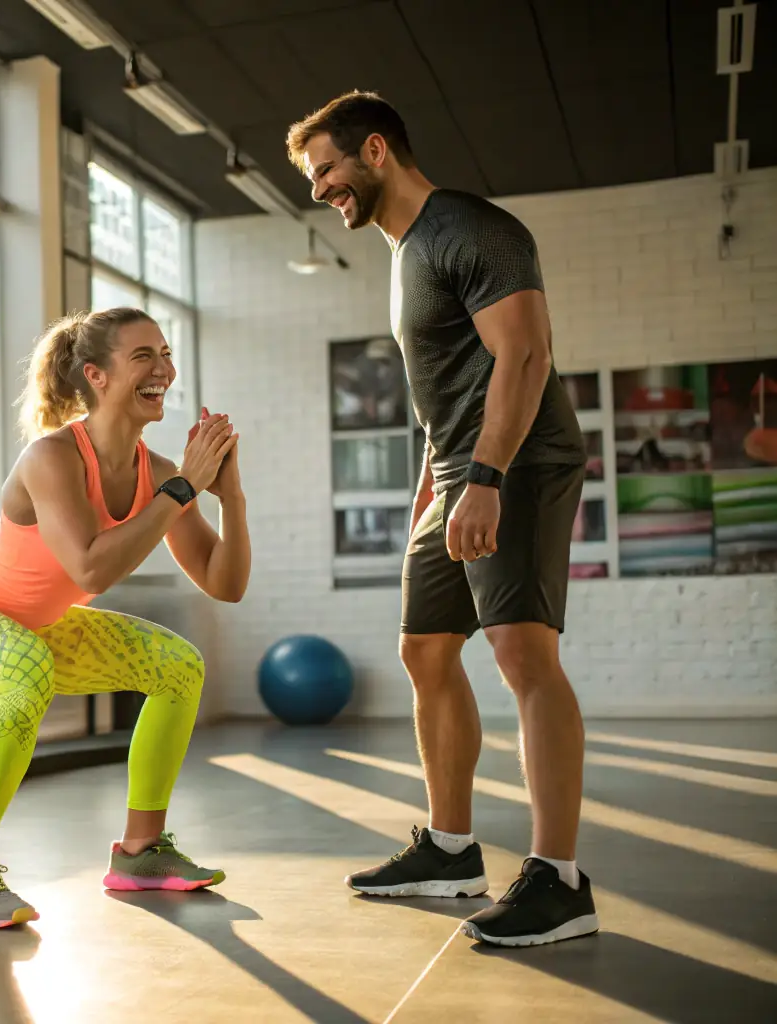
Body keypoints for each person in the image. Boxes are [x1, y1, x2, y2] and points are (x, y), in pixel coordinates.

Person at [285, 91, 598, 948]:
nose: (320, 190)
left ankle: (559, 881)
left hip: (518, 460)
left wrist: (488, 476)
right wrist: (437, 487)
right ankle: (451, 851)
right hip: (458, 472)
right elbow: (445, 389)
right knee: (423, 649)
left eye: (326, 171)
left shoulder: (470, 228)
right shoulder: (404, 253)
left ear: (375, 150)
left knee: (521, 652)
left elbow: (523, 353)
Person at [0, 306, 252, 930]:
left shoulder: (160, 474)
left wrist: (231, 496)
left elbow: (225, 583)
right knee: (25, 667)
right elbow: (90, 571)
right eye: (144, 356)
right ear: (98, 375)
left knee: (177, 665)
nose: (164, 368)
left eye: (166, 354)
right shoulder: (53, 458)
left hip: (31, 628)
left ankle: (141, 852)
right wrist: (182, 490)